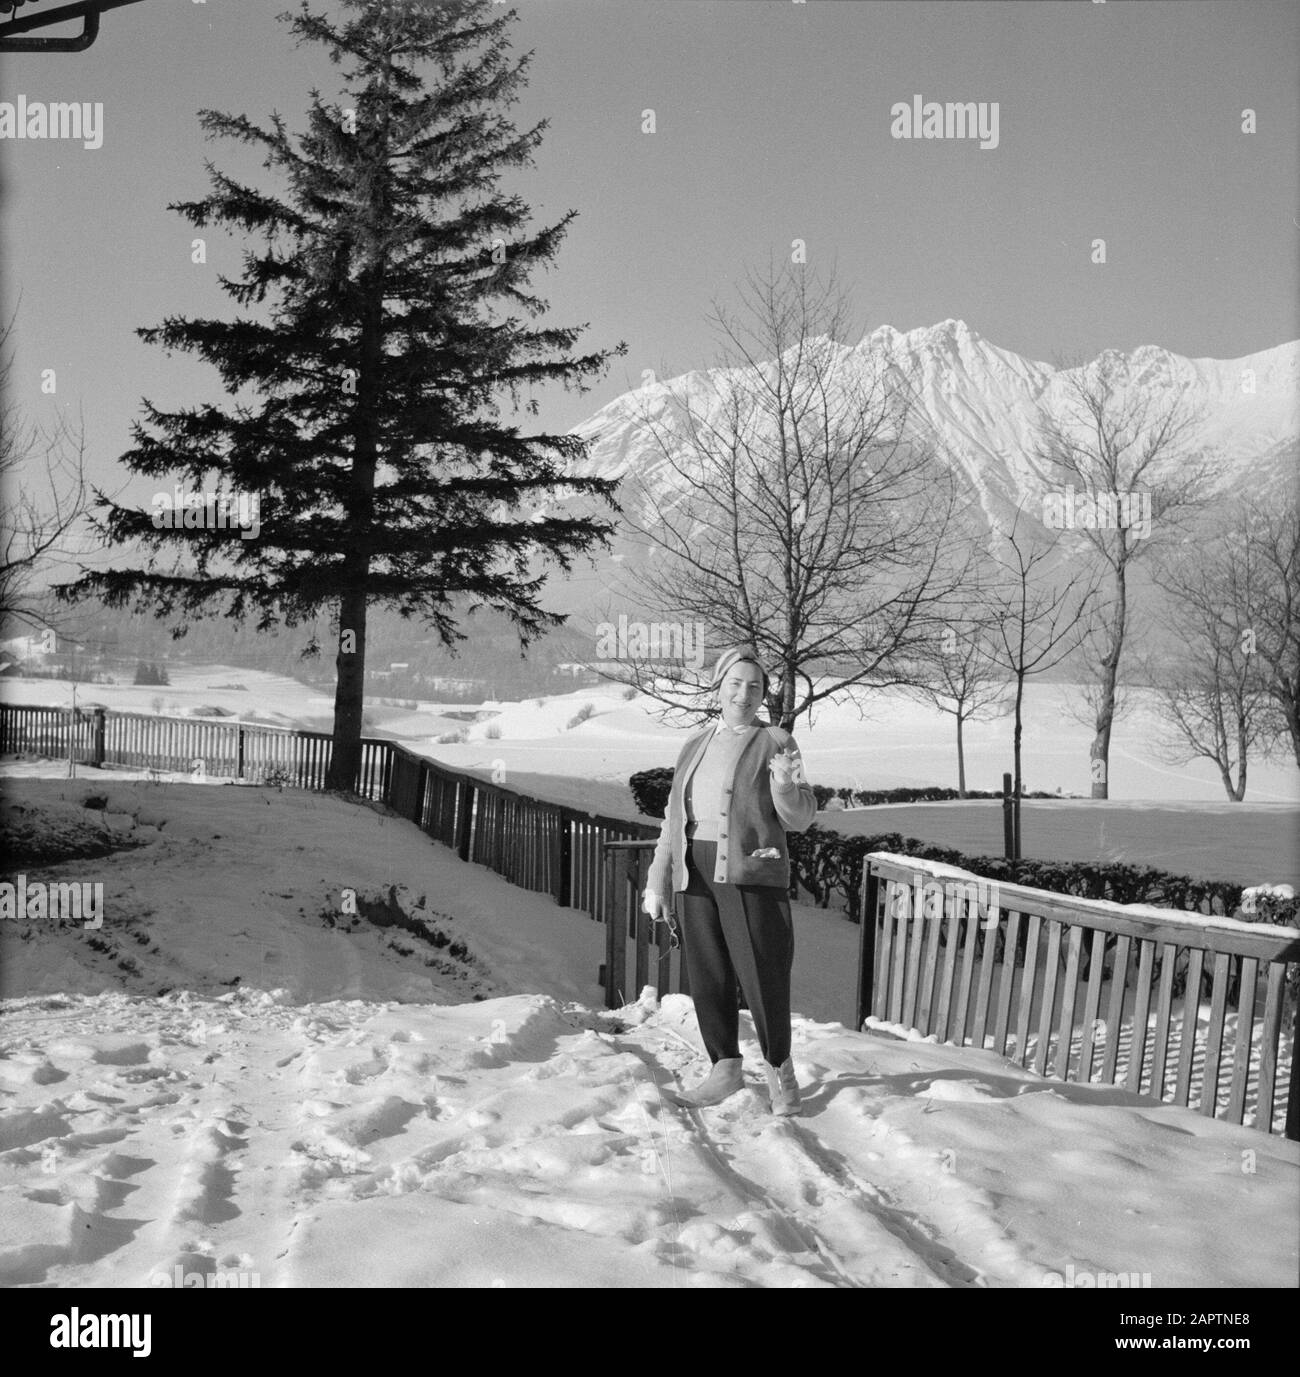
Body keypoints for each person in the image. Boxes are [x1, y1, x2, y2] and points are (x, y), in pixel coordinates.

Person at [642, 646, 818, 1115]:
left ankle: (781, 1071)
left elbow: (800, 817)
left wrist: (784, 786)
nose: (744, 693)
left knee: (764, 972)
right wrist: (657, 880)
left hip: (750, 872)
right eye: (735, 684)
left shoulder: (779, 742)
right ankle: (725, 1068)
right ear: (718, 688)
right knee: (709, 973)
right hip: (693, 872)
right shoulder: (693, 746)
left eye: (755, 686)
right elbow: (672, 819)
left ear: (764, 694)